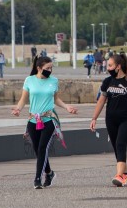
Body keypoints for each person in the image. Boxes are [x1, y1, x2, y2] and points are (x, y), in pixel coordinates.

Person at [11, 56, 78, 189]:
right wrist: (18, 109)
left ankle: (37, 179)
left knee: (42, 148)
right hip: (33, 120)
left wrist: (67, 107)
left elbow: (56, 99)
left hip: (49, 119)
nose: (50, 70)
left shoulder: (54, 81)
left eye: (51, 68)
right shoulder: (29, 80)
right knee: (37, 149)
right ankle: (49, 173)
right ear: (39, 68)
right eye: (47, 68)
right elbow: (23, 99)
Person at [90, 52, 127, 187]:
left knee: (121, 144)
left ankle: (119, 176)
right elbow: (101, 101)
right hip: (111, 119)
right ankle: (126, 174)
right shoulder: (107, 81)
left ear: (118, 66)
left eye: (110, 65)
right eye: (107, 65)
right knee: (117, 147)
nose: (107, 68)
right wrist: (94, 118)